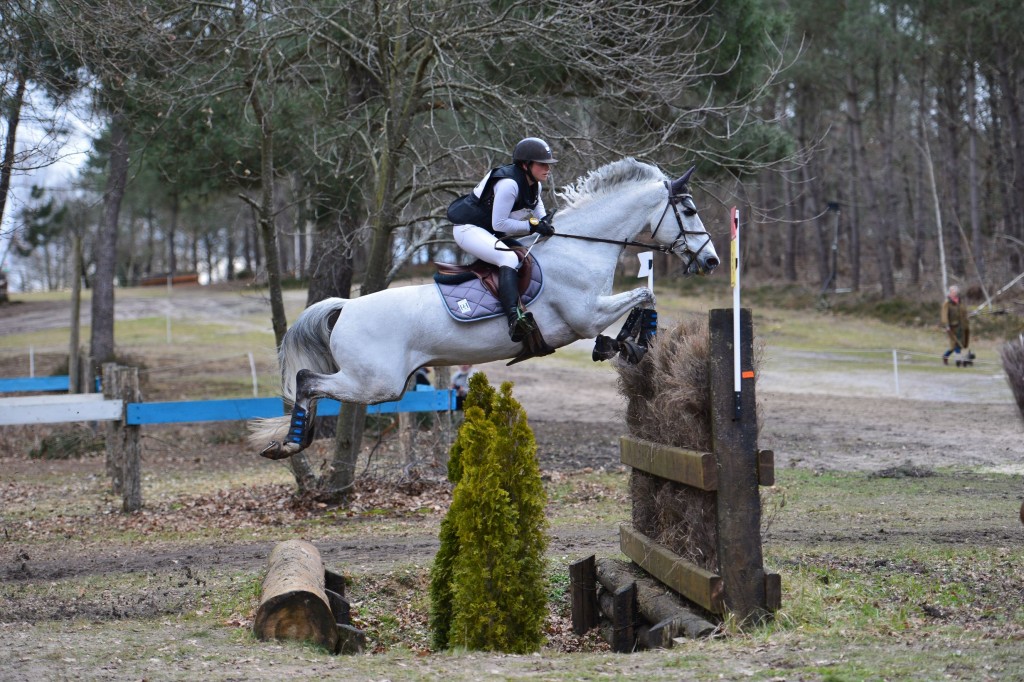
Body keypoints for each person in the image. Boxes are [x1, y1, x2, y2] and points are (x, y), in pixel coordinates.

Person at [447, 137, 558, 342]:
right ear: (526, 165)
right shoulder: (509, 184)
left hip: (489, 231)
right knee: (509, 260)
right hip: (468, 229)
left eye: (549, 164)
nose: (547, 169)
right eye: (543, 164)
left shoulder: (535, 185)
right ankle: (514, 320)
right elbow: (500, 224)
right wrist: (531, 226)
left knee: (527, 254)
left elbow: (538, 213)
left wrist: (544, 224)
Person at [941, 285, 972, 367]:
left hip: (962, 326)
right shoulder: (947, 303)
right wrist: (946, 325)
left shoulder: (960, 302)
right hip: (952, 327)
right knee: (956, 344)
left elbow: (964, 313)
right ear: (950, 293)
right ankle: (958, 360)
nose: (954, 294)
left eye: (956, 292)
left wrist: (968, 316)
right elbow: (944, 315)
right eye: (953, 292)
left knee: (959, 344)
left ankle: (945, 356)